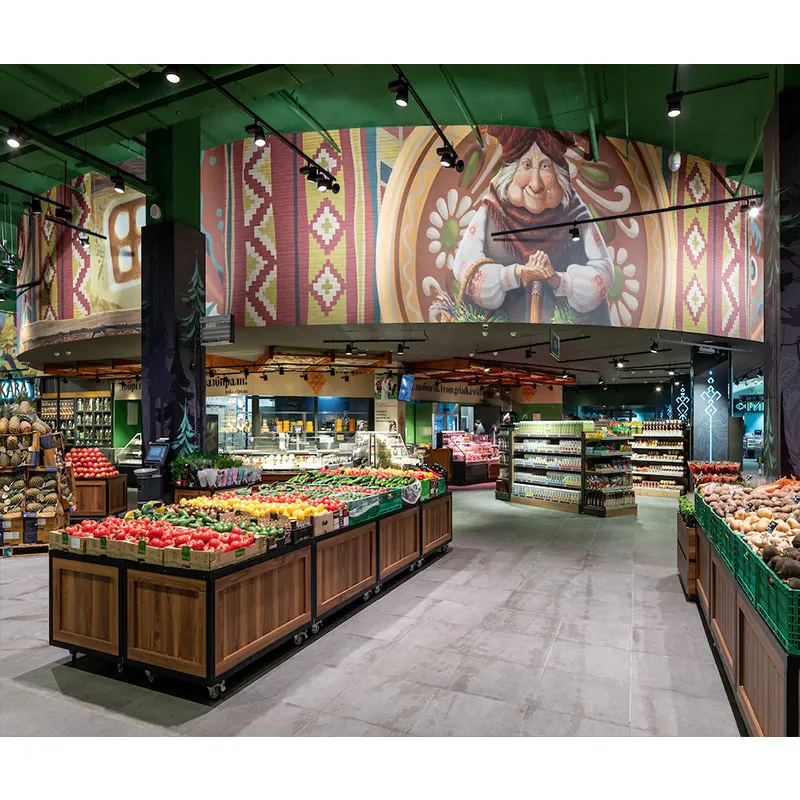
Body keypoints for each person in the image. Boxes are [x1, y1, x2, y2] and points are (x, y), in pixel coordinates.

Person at [452, 128, 614, 325]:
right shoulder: (491, 211)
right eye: (526, 165)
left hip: (568, 337)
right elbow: (465, 266)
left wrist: (560, 281)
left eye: (545, 166)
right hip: (498, 336)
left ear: (559, 173)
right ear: (512, 171)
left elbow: (604, 272)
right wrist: (513, 274)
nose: (536, 184)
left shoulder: (576, 216)